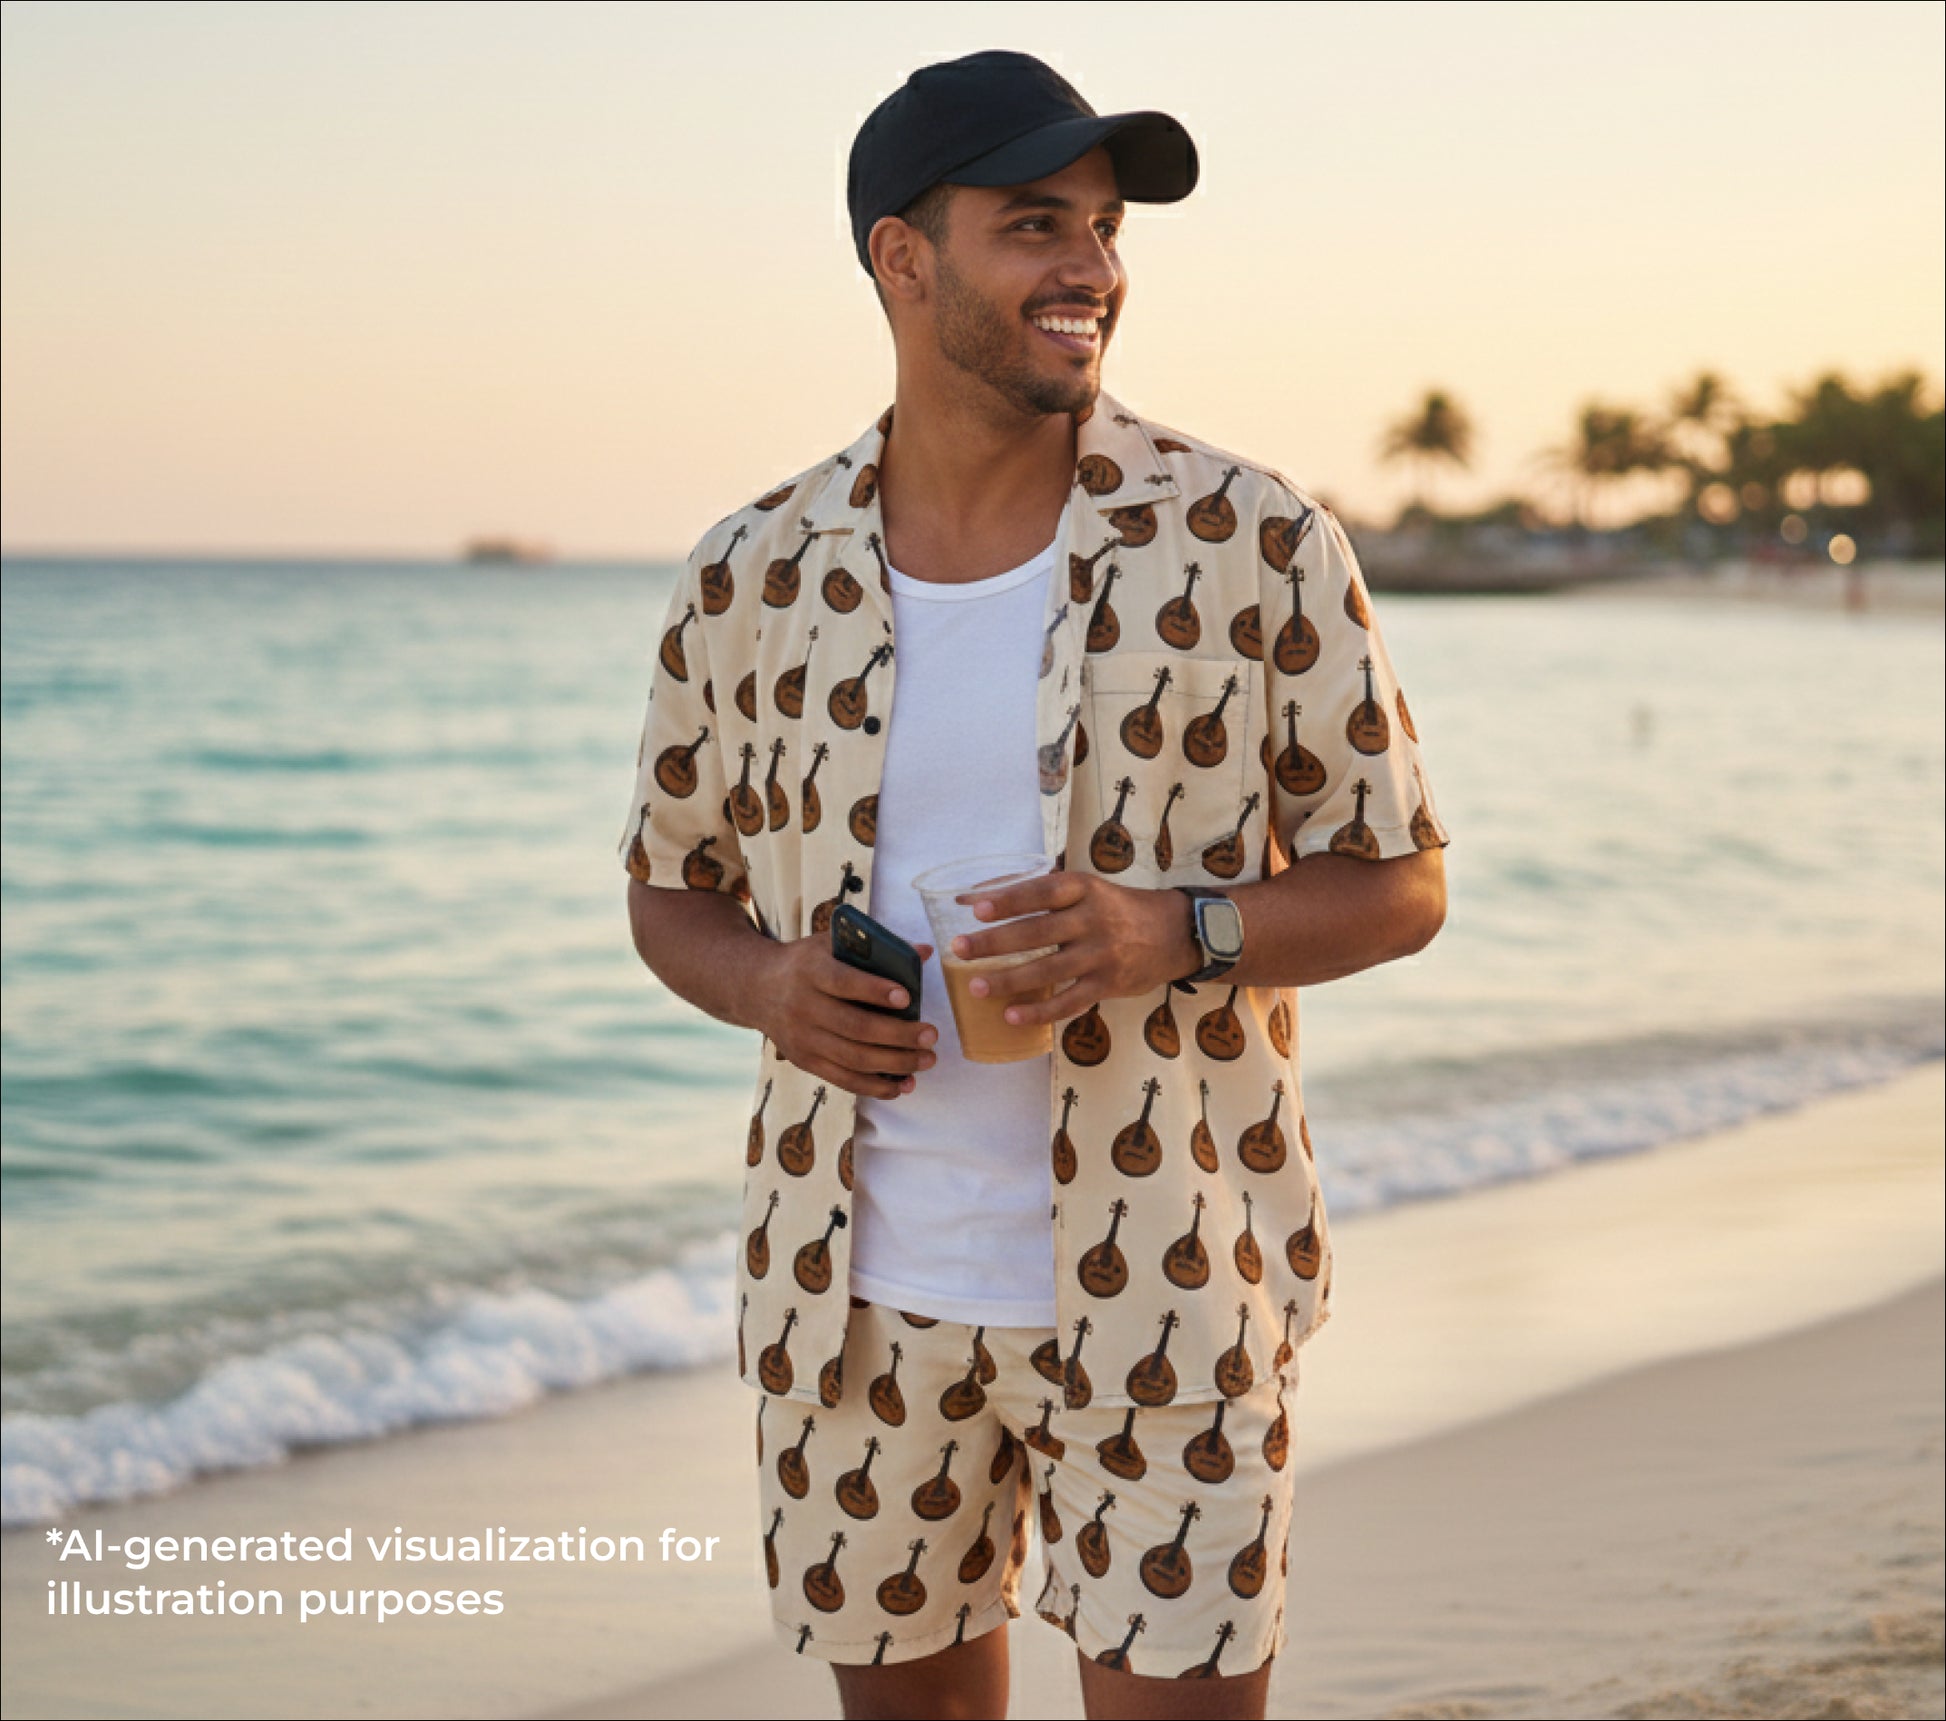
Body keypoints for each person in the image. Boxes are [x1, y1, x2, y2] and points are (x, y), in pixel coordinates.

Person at [619, 48, 1451, 1721]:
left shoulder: (1251, 538)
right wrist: (769, 986)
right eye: (1031, 227)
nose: (1089, 270)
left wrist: (1172, 929)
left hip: (1174, 1278)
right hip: (850, 1308)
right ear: (900, 259)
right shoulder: (750, 571)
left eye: (1101, 228)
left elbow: (1401, 880)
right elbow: (668, 889)